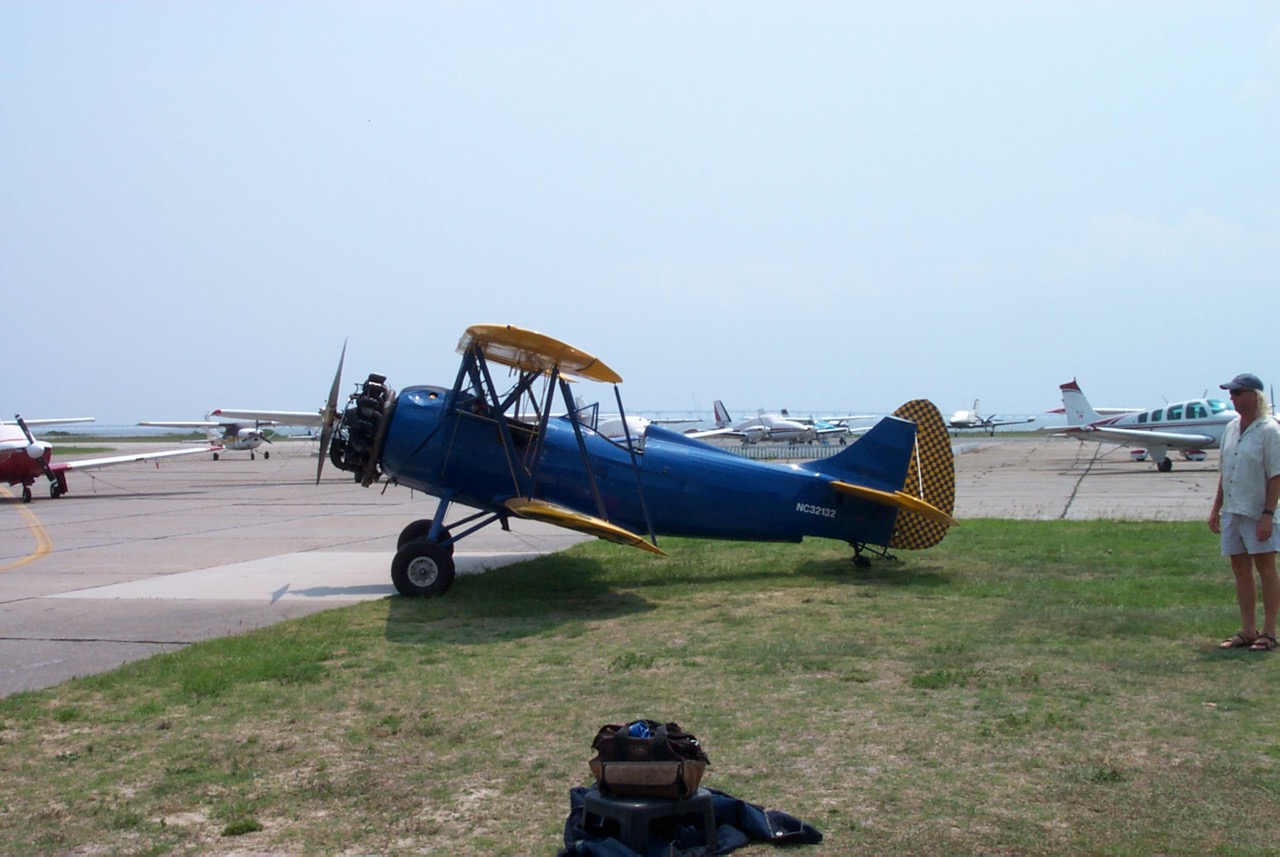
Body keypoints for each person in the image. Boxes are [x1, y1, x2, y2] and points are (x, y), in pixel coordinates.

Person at [1209, 373, 1280, 651]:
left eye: (1237, 393)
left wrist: (1267, 514)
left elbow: (1276, 476)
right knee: (1240, 567)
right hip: (1233, 510)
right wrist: (1216, 508)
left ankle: (1270, 631)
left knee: (1265, 567)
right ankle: (1248, 630)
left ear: (1253, 396)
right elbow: (1226, 471)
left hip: (1257, 511)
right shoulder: (1231, 428)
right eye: (1231, 393)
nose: (1232, 398)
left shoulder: (1270, 431)